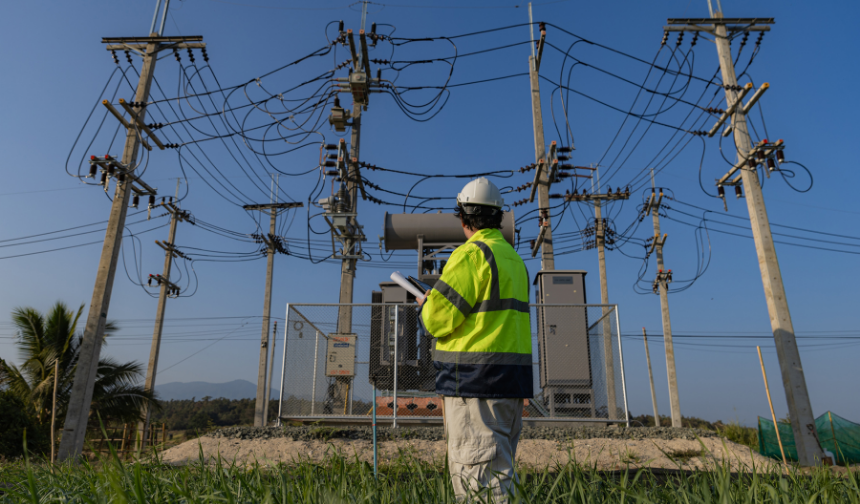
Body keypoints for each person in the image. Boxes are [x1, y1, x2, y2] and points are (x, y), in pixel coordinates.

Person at [418, 177, 532, 502]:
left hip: (474, 387)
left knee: (478, 486)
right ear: (497, 216)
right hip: (510, 386)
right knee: (499, 477)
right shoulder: (514, 260)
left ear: (464, 218)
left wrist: (427, 304)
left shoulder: (470, 255)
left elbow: (439, 319)